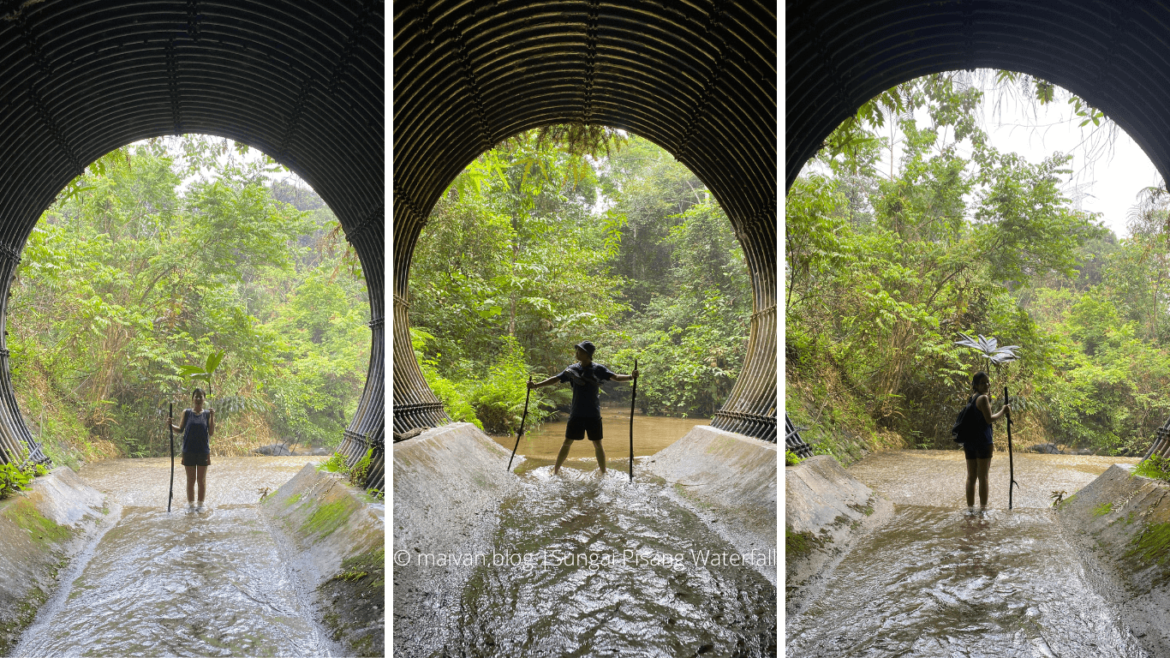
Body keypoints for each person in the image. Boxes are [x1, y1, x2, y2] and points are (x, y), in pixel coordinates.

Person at [528, 341, 638, 477]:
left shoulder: (598, 369)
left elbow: (615, 377)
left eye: (579, 351)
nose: (576, 353)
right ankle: (555, 470)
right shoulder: (572, 369)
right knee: (567, 442)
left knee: (598, 444)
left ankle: (604, 472)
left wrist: (631, 377)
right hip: (576, 413)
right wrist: (536, 386)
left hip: (593, 413)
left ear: (587, 354)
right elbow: (555, 379)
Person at [964, 371, 1008, 511]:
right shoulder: (982, 399)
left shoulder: (972, 398)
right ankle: (983, 509)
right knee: (983, 477)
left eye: (988, 382)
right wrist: (1003, 411)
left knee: (971, 477)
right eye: (983, 383)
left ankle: (970, 509)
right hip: (983, 442)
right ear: (976, 385)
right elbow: (989, 419)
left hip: (969, 442)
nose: (987, 385)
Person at [169, 388, 215, 512]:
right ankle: (190, 505)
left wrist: (212, 416)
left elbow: (211, 432)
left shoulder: (207, 414)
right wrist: (170, 425)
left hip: (203, 451)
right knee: (190, 479)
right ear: (193, 399)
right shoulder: (187, 412)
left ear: (204, 399)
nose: (199, 399)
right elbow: (180, 429)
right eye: (196, 396)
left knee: (201, 479)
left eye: (201, 397)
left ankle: (200, 505)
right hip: (188, 450)